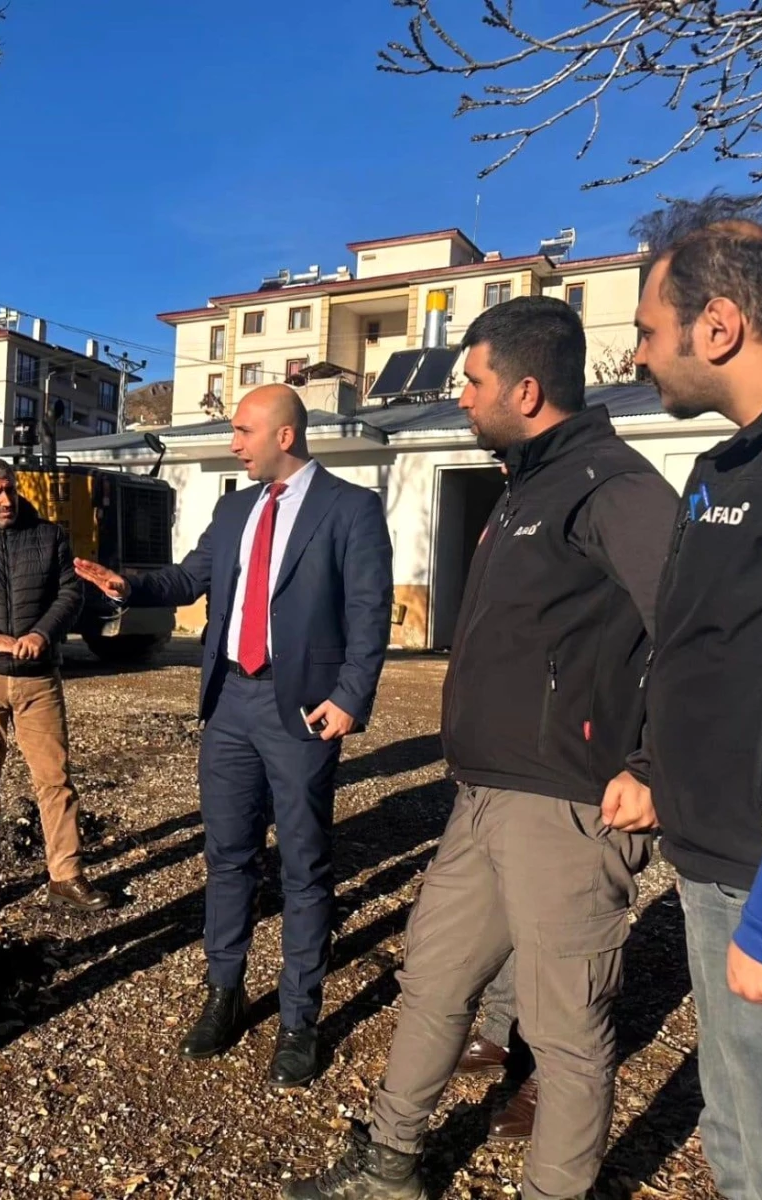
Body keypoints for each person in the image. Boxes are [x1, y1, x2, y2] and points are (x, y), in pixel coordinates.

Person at [286, 296, 676, 1200]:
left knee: (567, 1033)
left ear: (528, 388)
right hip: (483, 796)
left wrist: (653, 767)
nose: (459, 395)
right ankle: (390, 1166)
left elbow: (696, 632)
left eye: (472, 380)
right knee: (431, 981)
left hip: (571, 807)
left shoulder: (612, 488)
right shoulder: (525, 486)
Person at [75, 384, 392, 1088]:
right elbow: (191, 579)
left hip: (303, 710)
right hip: (228, 704)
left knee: (305, 865)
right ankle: (225, 993)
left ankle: (299, 1017)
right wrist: (127, 586)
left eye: (244, 431)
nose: (235, 443)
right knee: (227, 858)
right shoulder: (236, 507)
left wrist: (350, 698)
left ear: (285, 435)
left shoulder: (352, 508)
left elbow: (371, 611)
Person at [631, 205, 762, 1200]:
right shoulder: (728, 464)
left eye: (649, 331)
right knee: (737, 1141)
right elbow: (710, 649)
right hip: (716, 869)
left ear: (718, 329)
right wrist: (655, 768)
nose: (638, 355)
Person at [0, 457, 108, 914]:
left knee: (55, 779)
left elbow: (71, 594)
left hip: (37, 678)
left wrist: (40, 635)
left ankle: (65, 875)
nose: (6, 500)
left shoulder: (48, 536)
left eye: (9, 489)